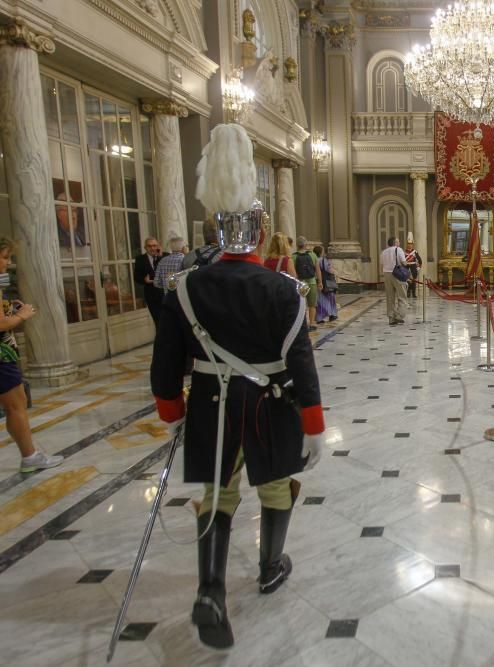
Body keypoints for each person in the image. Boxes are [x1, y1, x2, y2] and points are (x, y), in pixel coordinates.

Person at [150, 123, 325, 650]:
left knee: (217, 495)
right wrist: (313, 423)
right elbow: (300, 360)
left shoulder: (186, 286)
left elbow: (165, 363)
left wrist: (172, 411)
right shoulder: (282, 289)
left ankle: (210, 591)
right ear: (256, 229)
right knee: (276, 487)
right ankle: (271, 566)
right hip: (269, 407)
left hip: (209, 405)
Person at [0, 238, 64, 473]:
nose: (8, 263)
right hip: (1, 356)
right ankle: (29, 457)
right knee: (16, 405)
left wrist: (9, 309)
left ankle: (29, 455)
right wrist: (22, 315)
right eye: (5, 257)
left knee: (15, 405)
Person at [292, 236, 322, 331]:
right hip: (312, 282)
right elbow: (317, 270)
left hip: (300, 283)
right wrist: (320, 282)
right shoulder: (312, 255)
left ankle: (303, 323)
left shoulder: (294, 256)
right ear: (305, 244)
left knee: (302, 305)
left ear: (297, 245)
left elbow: (294, 273)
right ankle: (312, 323)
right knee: (312, 304)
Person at [134, 237, 162, 324]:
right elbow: (136, 277)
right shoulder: (140, 259)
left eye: (154, 245)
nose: (152, 248)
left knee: (167, 321)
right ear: (145, 247)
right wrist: (144, 280)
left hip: (165, 294)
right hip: (151, 295)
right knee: (157, 321)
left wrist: (160, 256)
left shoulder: (164, 256)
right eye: (149, 246)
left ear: (158, 246)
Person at [380, 237, 408, 325]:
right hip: (397, 274)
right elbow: (404, 262)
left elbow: (382, 264)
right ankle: (399, 316)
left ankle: (391, 318)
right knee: (402, 296)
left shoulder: (383, 252)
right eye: (398, 241)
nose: (399, 242)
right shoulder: (398, 249)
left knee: (390, 297)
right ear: (395, 242)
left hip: (386, 274)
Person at [316, 244, 338, 324]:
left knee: (320, 300)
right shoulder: (323, 260)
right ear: (321, 252)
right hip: (327, 281)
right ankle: (332, 314)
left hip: (317, 281)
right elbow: (329, 270)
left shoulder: (315, 259)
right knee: (330, 298)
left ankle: (319, 318)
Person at [403, 234, 423, 299]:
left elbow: (420, 261)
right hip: (406, 268)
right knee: (407, 281)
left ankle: (414, 293)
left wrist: (418, 268)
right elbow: (402, 261)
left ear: (412, 244)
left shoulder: (415, 252)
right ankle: (408, 293)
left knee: (414, 281)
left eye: (411, 244)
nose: (409, 245)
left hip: (413, 268)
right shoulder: (404, 252)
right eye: (408, 244)